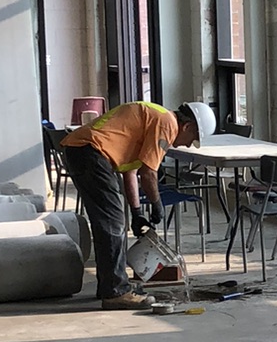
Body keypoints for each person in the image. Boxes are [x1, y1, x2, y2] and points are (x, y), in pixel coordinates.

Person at [59, 100, 210, 309]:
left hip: (81, 150)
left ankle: (109, 285)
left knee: (108, 223)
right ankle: (116, 292)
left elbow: (131, 171)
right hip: (91, 152)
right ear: (187, 126)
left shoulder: (155, 117)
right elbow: (148, 173)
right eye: (192, 138)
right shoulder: (167, 123)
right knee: (112, 224)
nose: (186, 144)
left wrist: (137, 211)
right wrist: (157, 203)